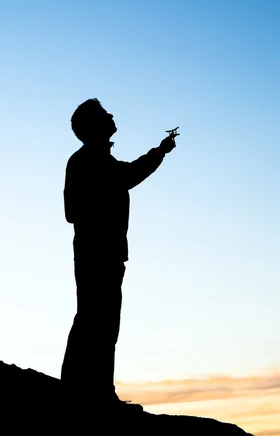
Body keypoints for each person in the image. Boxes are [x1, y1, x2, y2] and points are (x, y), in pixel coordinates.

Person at [60, 98, 178, 412]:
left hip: (106, 252)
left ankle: (96, 390)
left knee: (102, 321)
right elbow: (74, 210)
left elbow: (125, 175)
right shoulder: (85, 161)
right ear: (93, 126)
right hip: (96, 252)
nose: (111, 115)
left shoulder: (95, 160)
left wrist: (159, 152)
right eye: (104, 114)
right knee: (95, 320)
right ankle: (84, 391)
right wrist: (159, 153)